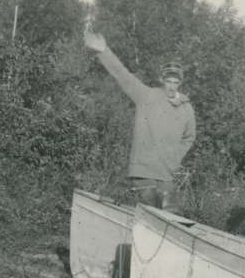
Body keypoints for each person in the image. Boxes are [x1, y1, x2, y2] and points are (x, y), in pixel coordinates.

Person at [84, 30, 196, 209]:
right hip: (143, 170)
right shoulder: (146, 96)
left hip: (167, 173)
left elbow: (189, 137)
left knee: (171, 217)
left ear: (180, 83)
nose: (172, 86)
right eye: (168, 81)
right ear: (162, 80)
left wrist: (175, 157)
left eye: (175, 82)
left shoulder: (186, 107)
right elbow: (124, 76)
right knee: (147, 212)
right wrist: (103, 51)